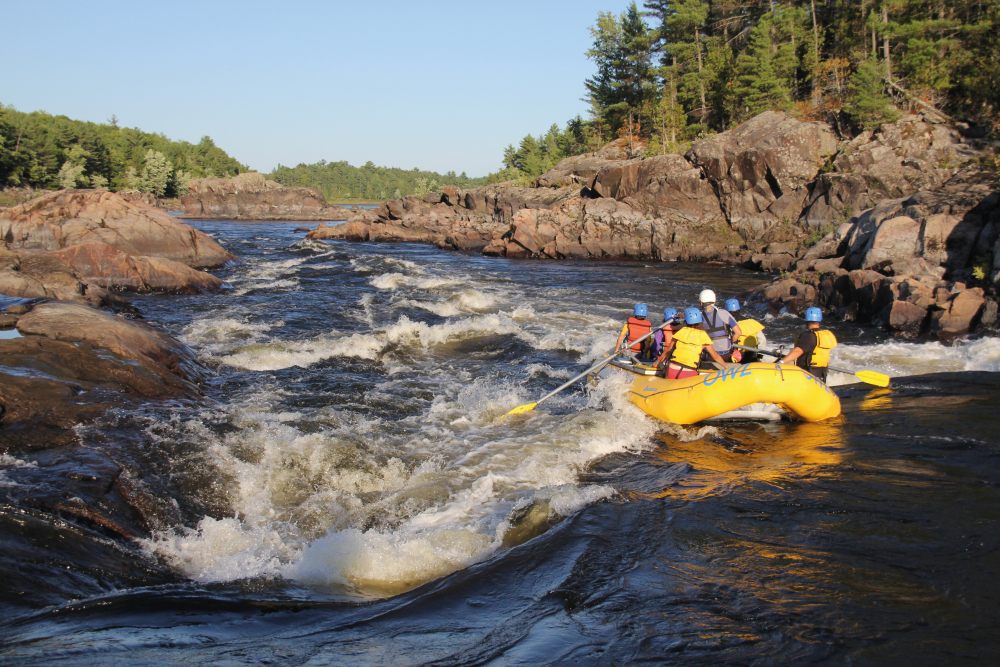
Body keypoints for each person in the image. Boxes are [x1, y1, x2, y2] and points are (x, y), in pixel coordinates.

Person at [658, 307, 729, 379]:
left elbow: (668, 351)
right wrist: (727, 367)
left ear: (686, 321)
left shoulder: (680, 331)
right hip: (688, 372)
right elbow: (715, 356)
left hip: (672, 369)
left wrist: (657, 362)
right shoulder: (703, 335)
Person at [780, 306, 838, 382]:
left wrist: (781, 362)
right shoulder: (825, 335)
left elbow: (797, 351)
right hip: (821, 374)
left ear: (807, 320)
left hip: (807, 374)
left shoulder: (808, 336)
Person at [698, 289, 742, 365]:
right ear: (714, 301)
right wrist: (731, 343)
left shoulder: (699, 317)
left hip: (710, 353)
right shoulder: (723, 313)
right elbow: (738, 333)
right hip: (726, 353)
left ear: (701, 302)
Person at [726, 298, 767, 363]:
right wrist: (759, 355)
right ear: (739, 310)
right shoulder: (752, 322)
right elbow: (762, 340)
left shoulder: (726, 324)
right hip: (752, 355)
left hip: (735, 357)